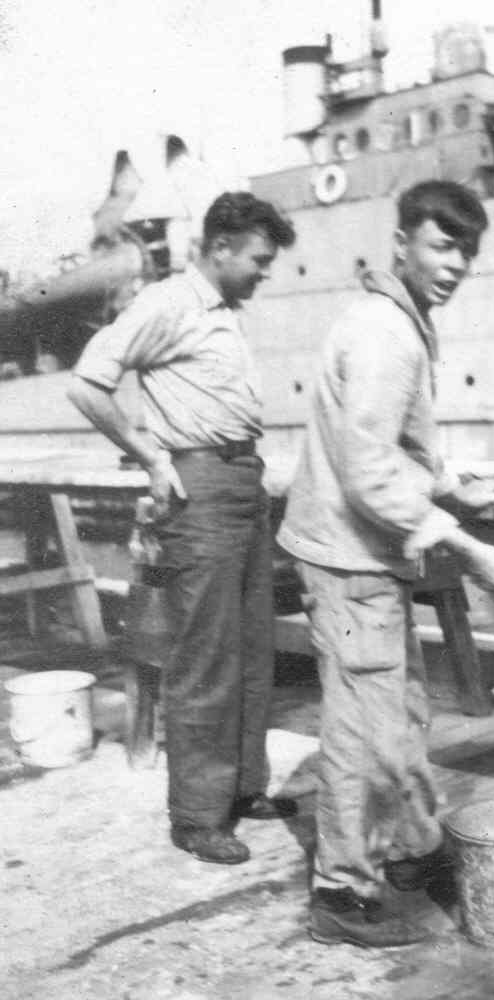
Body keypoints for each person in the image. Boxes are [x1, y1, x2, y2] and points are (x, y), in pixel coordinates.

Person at [277, 179, 494, 946]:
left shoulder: (398, 317)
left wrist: (454, 485)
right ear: (402, 245)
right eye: (443, 245)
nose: (456, 264)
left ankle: (413, 854)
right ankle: (341, 896)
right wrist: (467, 542)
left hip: (363, 555)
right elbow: (368, 470)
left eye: (468, 251)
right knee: (363, 731)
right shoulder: (387, 331)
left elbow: (402, 444)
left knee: (400, 712)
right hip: (349, 561)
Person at [69, 192, 297, 865]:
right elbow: (87, 384)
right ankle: (197, 817)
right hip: (198, 493)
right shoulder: (170, 303)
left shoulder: (223, 313)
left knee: (253, 648)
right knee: (205, 657)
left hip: (241, 485)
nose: (265, 272)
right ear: (220, 247)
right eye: (258, 259)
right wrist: (150, 458)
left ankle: (242, 788)